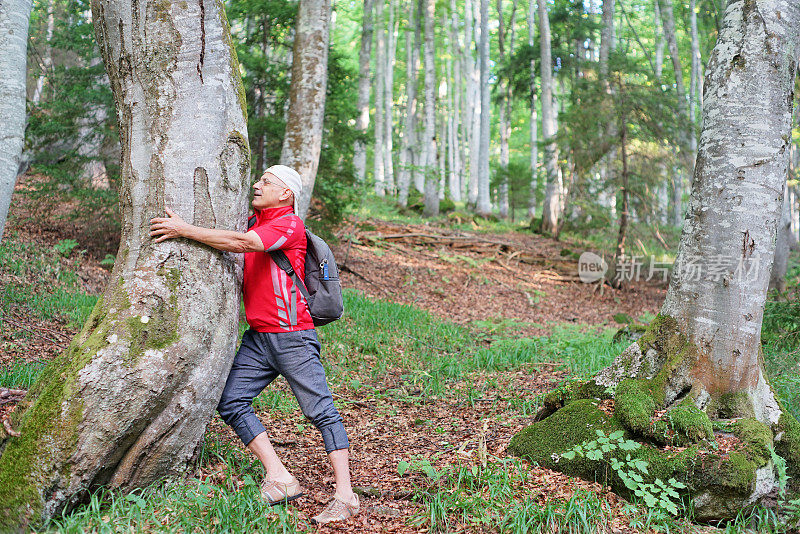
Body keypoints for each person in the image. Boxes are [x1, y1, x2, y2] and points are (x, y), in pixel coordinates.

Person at [149, 165, 359, 525]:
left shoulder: (289, 225)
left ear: (286, 194)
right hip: (259, 339)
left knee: (321, 411)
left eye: (266, 182)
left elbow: (246, 244)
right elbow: (240, 236)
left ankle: (346, 495)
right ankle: (280, 477)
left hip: (292, 335)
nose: (257, 185)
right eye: (258, 179)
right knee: (230, 400)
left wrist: (182, 230)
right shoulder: (252, 219)